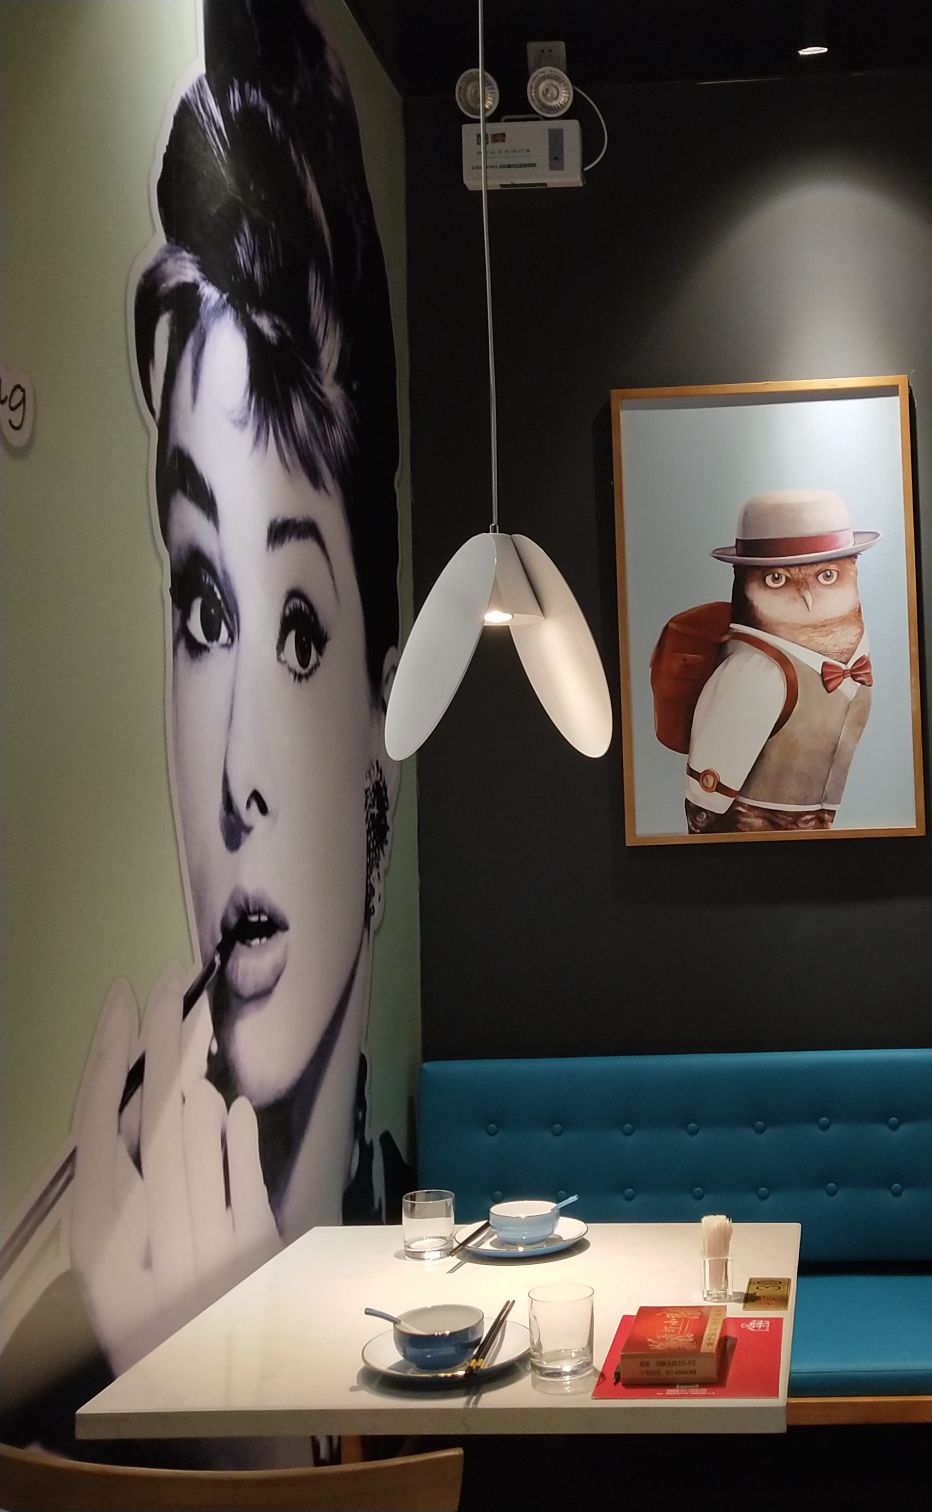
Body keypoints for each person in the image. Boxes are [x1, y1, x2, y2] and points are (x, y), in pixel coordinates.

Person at [0, 0, 406, 1453]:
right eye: (201, 608)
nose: (236, 777)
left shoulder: (378, 1194)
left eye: (298, 632)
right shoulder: (64, 1302)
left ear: (382, 721)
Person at [684, 490, 879, 834]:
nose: (806, 595)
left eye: (827, 575)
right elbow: (704, 812)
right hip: (750, 837)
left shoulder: (857, 658)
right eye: (776, 578)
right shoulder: (755, 670)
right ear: (745, 581)